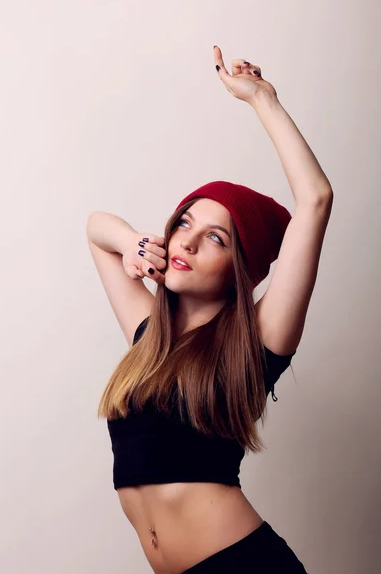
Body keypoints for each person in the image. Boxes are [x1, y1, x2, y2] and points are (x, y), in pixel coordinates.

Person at [86, 47, 333, 573]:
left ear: (239, 269)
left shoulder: (257, 343)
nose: (188, 242)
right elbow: (95, 229)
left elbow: (315, 198)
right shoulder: (149, 335)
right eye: (184, 223)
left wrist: (261, 99)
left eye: (215, 238)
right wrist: (132, 243)